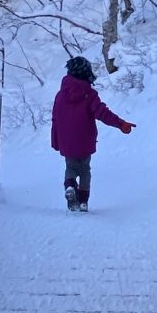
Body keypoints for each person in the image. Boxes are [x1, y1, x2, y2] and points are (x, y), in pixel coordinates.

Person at [50, 56, 135, 211]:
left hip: (66, 141)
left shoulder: (60, 96)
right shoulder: (89, 94)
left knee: (70, 167)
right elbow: (103, 113)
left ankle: (70, 187)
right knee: (84, 169)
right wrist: (121, 124)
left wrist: (55, 141)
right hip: (85, 140)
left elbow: (55, 119)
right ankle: (83, 201)